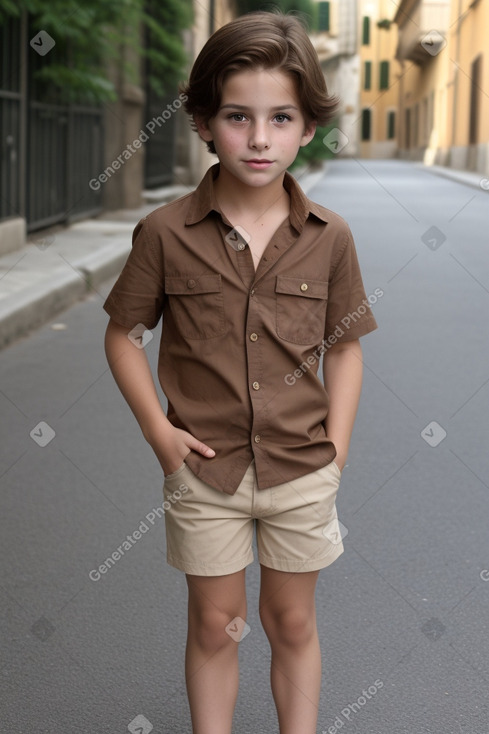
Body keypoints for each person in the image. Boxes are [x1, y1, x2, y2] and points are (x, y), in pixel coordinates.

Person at [103, 11, 377, 734]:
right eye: (237, 116)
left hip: (300, 465)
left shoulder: (330, 238)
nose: (259, 138)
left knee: (290, 621)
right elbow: (122, 336)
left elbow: (345, 347)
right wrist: (159, 434)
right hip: (205, 469)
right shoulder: (164, 233)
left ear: (307, 126)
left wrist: (337, 449)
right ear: (201, 122)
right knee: (214, 623)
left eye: (280, 117)